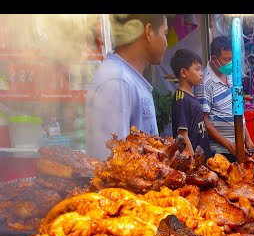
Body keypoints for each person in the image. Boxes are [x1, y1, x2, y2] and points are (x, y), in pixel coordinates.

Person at [86, 14, 169, 160]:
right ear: (148, 31)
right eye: (165, 33)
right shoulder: (117, 80)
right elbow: (111, 163)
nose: (166, 43)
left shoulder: (126, 77)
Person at [195, 35, 254, 162]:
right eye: (226, 59)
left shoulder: (233, 75)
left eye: (232, 59)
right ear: (214, 59)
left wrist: (247, 138)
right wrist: (228, 144)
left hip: (237, 147)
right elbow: (203, 121)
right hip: (219, 153)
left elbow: (238, 108)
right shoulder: (205, 83)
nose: (230, 63)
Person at [169, 48, 213, 160]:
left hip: (203, 159)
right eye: (197, 70)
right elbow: (182, 135)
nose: (201, 74)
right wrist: (193, 162)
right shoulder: (181, 100)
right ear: (183, 72)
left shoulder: (191, 96)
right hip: (193, 163)